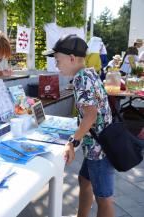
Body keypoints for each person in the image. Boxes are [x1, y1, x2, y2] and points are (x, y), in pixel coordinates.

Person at [43, 34, 114, 217]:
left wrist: (72, 142)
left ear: (72, 58)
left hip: (100, 149)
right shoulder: (89, 72)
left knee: (104, 199)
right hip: (99, 144)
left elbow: (90, 115)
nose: (56, 66)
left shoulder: (81, 79)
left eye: (58, 61)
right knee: (84, 179)